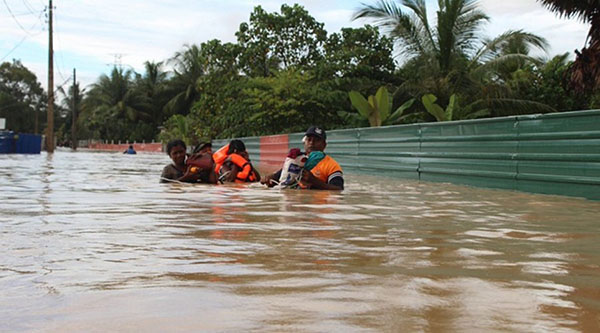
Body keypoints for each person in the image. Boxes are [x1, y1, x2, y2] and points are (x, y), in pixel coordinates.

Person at [261, 126, 344, 190]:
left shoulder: (332, 166)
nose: (312, 143)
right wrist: (268, 179)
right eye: (309, 139)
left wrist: (314, 181)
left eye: (316, 140)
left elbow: (338, 190)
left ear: (324, 145)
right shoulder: (296, 160)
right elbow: (278, 178)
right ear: (304, 142)